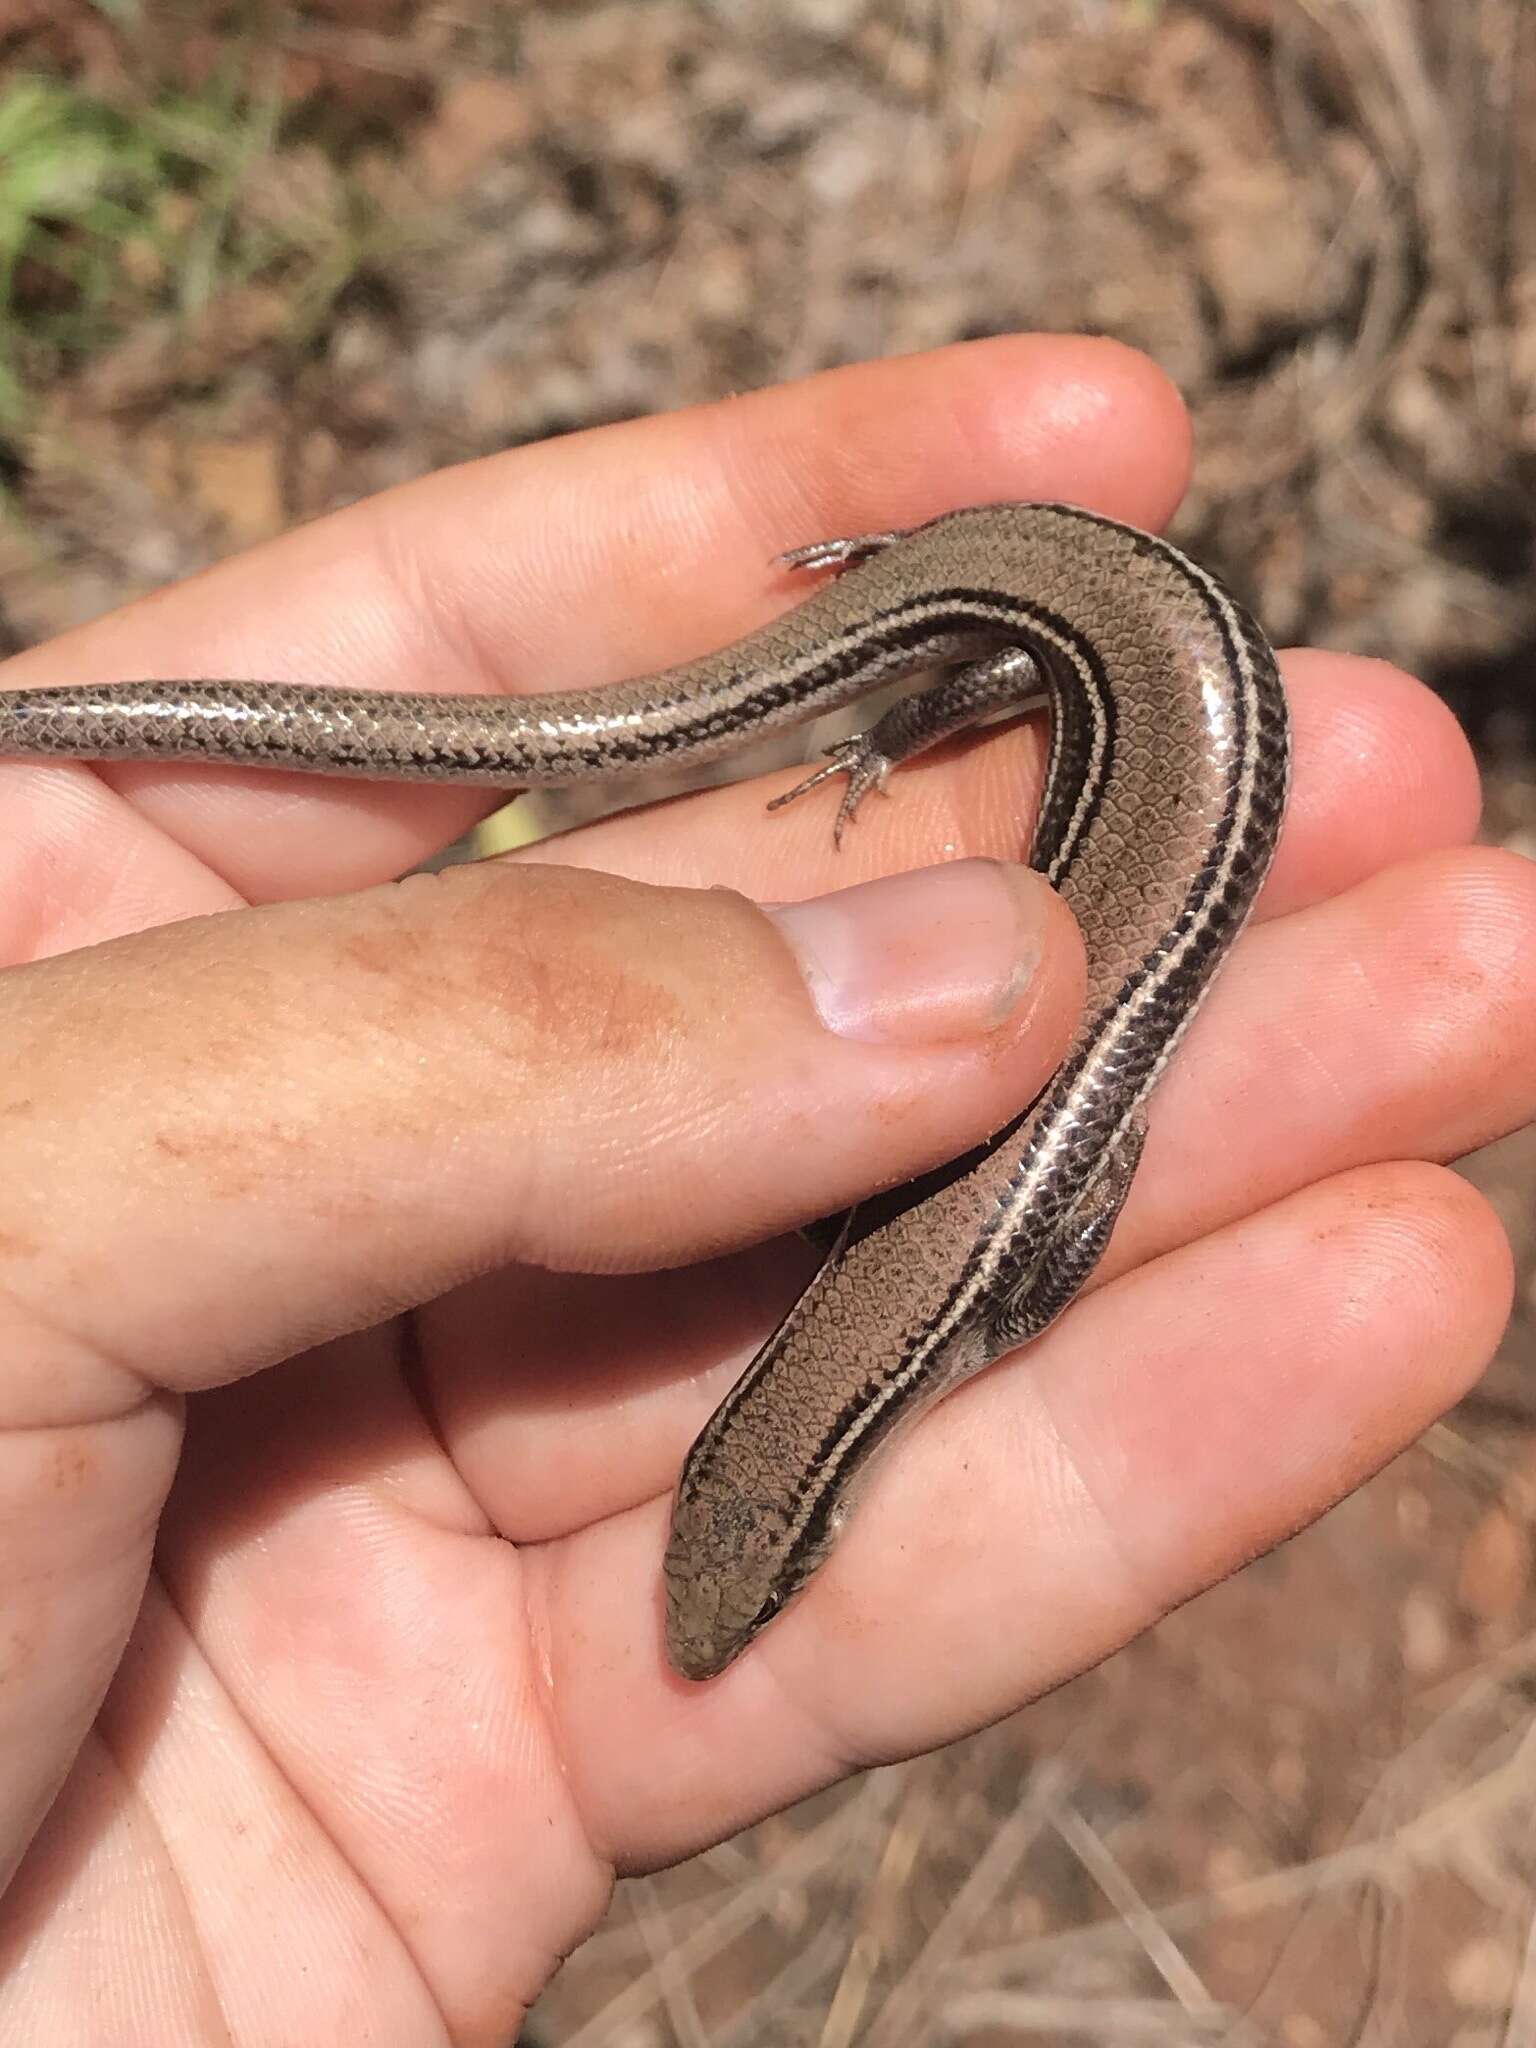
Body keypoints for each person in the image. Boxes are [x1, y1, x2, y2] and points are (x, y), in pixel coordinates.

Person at [0, 336, 1527, 2041]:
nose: (721, 1621)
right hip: (1077, 635)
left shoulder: (988, 1293)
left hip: (1093, 642)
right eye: (762, 1556)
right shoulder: (966, 1283)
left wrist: (910, 685)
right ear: (761, 1459)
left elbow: (1053, 1235)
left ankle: (948, 598)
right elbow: (1047, 1222)